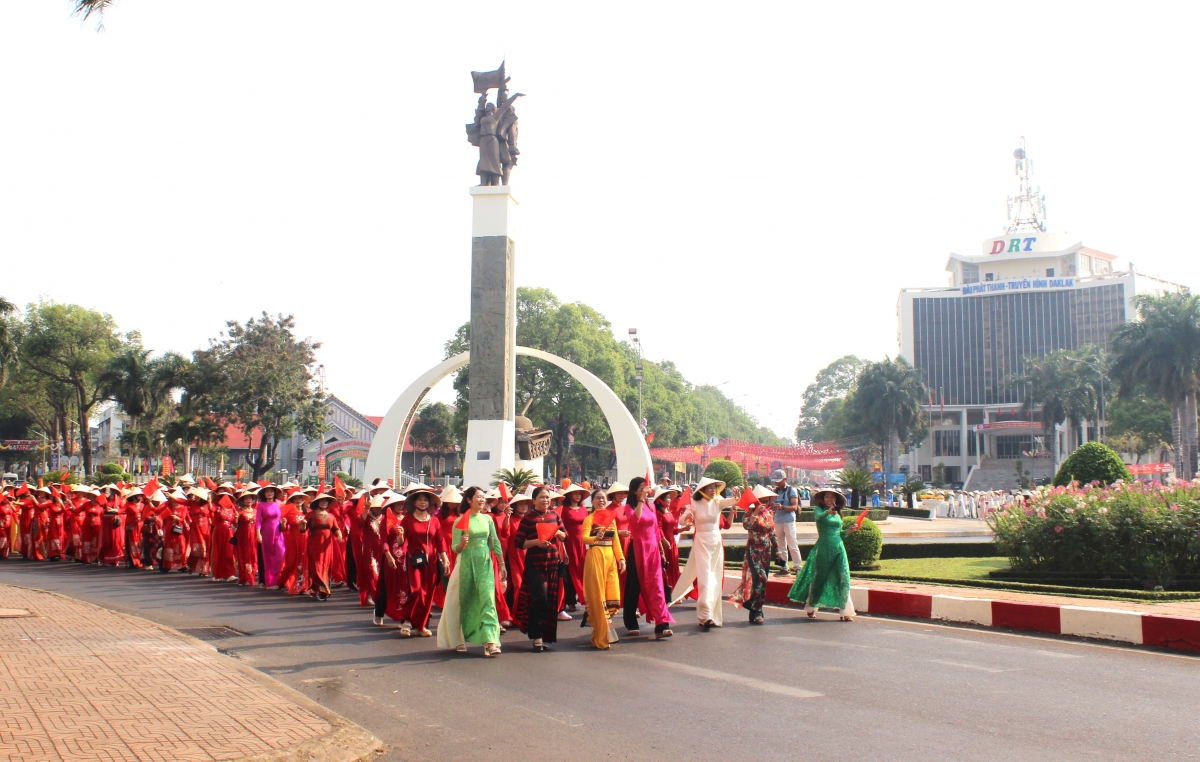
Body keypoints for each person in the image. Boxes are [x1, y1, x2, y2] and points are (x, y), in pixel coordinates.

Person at [437, 486, 505, 657]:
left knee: (488, 600)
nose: (482, 500)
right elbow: (454, 548)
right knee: (463, 601)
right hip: (465, 564)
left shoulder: (488, 519)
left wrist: (502, 564)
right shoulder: (460, 521)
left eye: (484, 497)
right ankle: (459, 639)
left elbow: (495, 542)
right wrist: (461, 544)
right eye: (479, 497)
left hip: (485, 564)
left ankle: (490, 641)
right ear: (469, 500)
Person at [671, 476, 736, 629]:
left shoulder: (718, 501)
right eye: (711, 488)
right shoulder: (694, 503)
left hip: (716, 543)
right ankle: (705, 615)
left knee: (714, 579)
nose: (714, 491)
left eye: (715, 488)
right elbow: (681, 521)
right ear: (703, 490)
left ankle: (708, 616)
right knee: (705, 579)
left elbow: (732, 501)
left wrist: (737, 496)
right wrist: (688, 517)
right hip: (701, 542)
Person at [788, 488, 858, 620]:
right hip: (823, 549)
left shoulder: (838, 514)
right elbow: (819, 518)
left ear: (836, 500)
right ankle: (811, 607)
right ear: (822, 499)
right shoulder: (819, 511)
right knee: (820, 578)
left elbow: (839, 533)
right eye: (827, 497)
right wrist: (828, 513)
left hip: (839, 548)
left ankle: (846, 612)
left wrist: (849, 531)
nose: (829, 499)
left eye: (832, 497)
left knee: (844, 578)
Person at [511, 485, 566, 652]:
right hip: (535, 563)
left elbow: (565, 536)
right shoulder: (528, 518)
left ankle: (544, 636)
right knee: (539, 598)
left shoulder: (554, 515)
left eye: (548, 497)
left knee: (550, 600)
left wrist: (557, 533)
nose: (545, 500)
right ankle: (536, 636)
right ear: (533, 500)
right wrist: (536, 542)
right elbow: (519, 543)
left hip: (552, 562)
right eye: (542, 497)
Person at [621, 477, 675, 639]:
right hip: (637, 550)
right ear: (634, 491)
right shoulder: (630, 506)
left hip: (652, 551)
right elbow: (635, 520)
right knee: (634, 587)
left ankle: (661, 624)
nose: (646, 489)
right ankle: (631, 622)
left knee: (657, 586)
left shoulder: (651, 506)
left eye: (646, 487)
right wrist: (641, 501)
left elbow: (655, 530)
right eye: (642, 488)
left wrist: (661, 548)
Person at [394, 485, 447, 637]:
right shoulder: (407, 520)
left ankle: (421, 626)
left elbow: (440, 541)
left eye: (425, 500)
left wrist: (445, 559)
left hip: (431, 562)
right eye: (420, 499)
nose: (423, 502)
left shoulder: (434, 521)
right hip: (413, 561)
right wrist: (400, 535)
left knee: (428, 594)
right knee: (416, 592)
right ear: (414, 502)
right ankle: (407, 621)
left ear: (430, 503)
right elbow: (400, 543)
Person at [580, 488, 625, 649]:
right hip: (596, 557)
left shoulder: (611, 519)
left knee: (613, 599)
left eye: (604, 498)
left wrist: (621, 558)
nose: (602, 501)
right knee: (599, 600)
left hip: (610, 560)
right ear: (592, 501)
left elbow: (616, 541)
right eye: (598, 498)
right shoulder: (589, 519)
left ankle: (601, 629)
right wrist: (595, 538)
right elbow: (584, 537)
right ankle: (601, 637)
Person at [737, 485, 781, 624]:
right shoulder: (749, 513)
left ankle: (755, 608)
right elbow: (747, 526)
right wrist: (755, 512)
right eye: (761, 500)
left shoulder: (769, 513)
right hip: (753, 550)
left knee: (763, 581)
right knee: (760, 579)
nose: (764, 502)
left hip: (766, 551)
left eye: (766, 499)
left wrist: (778, 550)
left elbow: (772, 533)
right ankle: (756, 609)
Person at [559, 484, 589, 613]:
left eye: (579, 494)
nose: (577, 495)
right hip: (569, 543)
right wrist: (564, 548)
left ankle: (583, 597)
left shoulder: (583, 509)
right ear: (569, 495)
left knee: (582, 571)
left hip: (582, 544)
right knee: (569, 572)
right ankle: (570, 601)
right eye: (575, 493)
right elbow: (561, 528)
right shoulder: (564, 510)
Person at [306, 493, 341, 601]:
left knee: (325, 566)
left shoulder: (331, 516)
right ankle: (323, 589)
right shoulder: (311, 515)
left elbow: (336, 529)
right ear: (317, 503)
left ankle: (320, 590)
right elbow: (302, 530)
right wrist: (302, 524)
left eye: (326, 501)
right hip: (314, 544)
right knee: (316, 566)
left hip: (327, 545)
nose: (324, 502)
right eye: (322, 501)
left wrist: (339, 535)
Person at [770, 470, 802, 576]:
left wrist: (782, 507)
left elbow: (794, 507)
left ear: (785, 479)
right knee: (780, 546)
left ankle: (798, 567)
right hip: (777, 520)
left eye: (778, 481)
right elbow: (770, 505)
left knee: (792, 545)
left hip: (789, 521)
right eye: (775, 481)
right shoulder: (774, 491)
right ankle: (784, 567)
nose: (776, 483)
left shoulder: (791, 490)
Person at [278, 490, 310, 594]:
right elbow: (283, 529)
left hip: (305, 539)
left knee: (304, 562)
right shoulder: (289, 512)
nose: (298, 500)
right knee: (291, 562)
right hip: (293, 539)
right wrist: (283, 523)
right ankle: (282, 581)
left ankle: (302, 585)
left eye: (300, 498)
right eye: (295, 498)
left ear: (303, 500)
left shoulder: (308, 512)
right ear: (292, 500)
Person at [255, 485, 286, 588]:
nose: (269, 493)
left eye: (271, 491)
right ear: (264, 494)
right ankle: (269, 581)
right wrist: (258, 534)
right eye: (267, 492)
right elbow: (258, 521)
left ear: (275, 493)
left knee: (280, 555)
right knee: (268, 557)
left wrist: (285, 524)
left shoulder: (280, 504)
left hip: (278, 532)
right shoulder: (261, 505)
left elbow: (284, 518)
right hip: (267, 532)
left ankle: (279, 579)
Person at [234, 488, 259, 586]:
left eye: (250, 498)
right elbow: (235, 524)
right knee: (243, 556)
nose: (249, 500)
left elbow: (259, 524)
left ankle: (251, 575)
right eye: (246, 498)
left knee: (252, 555)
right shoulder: (240, 511)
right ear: (243, 501)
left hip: (253, 536)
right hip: (243, 536)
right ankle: (243, 578)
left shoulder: (256, 511)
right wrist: (236, 518)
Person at [210, 490, 238, 582]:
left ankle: (229, 574)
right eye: (222, 497)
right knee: (218, 552)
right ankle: (217, 573)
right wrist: (209, 499)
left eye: (227, 497)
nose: (225, 499)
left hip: (229, 533)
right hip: (218, 533)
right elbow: (210, 508)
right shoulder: (217, 508)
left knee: (229, 553)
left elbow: (235, 523)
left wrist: (237, 519)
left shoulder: (232, 509)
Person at [186, 487, 213, 576]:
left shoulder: (207, 504)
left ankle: (204, 569)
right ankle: (192, 565)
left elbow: (212, 511)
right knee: (196, 549)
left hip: (205, 529)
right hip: (195, 529)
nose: (196, 497)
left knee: (205, 549)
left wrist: (209, 501)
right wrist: (172, 496)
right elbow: (181, 501)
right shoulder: (192, 503)